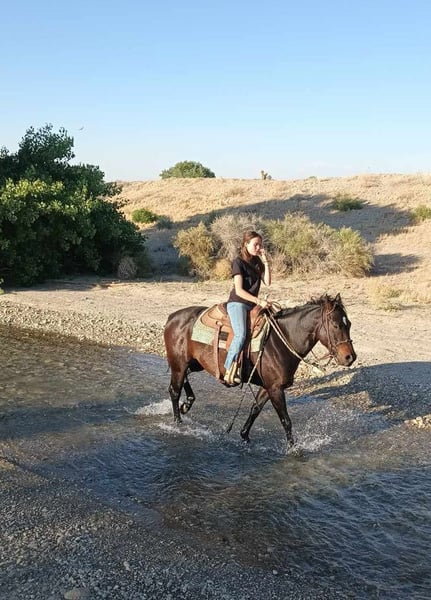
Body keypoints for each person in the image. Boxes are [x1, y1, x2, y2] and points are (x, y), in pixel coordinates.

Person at [223, 230, 271, 385]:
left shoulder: (257, 262)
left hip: (252, 304)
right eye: (255, 244)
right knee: (241, 334)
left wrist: (265, 262)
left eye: (260, 245)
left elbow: (268, 282)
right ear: (246, 244)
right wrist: (259, 301)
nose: (258, 248)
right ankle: (228, 368)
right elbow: (239, 290)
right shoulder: (238, 262)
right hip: (238, 303)